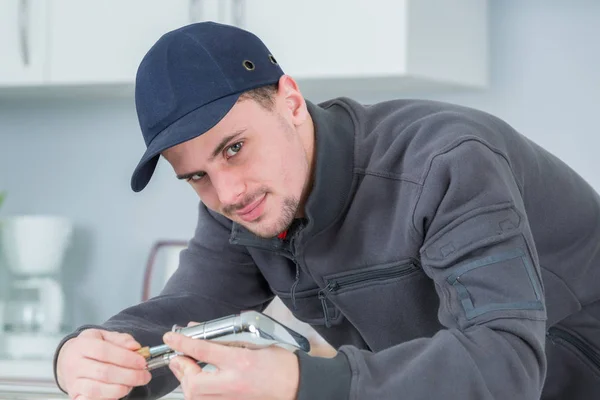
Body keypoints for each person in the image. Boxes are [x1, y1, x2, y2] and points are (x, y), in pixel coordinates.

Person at [53, 21, 600, 400]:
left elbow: (504, 365)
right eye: (196, 176)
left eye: (234, 147)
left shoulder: (445, 161)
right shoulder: (242, 201)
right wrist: (85, 355)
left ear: (290, 101)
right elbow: (188, 311)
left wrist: (299, 383)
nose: (227, 193)